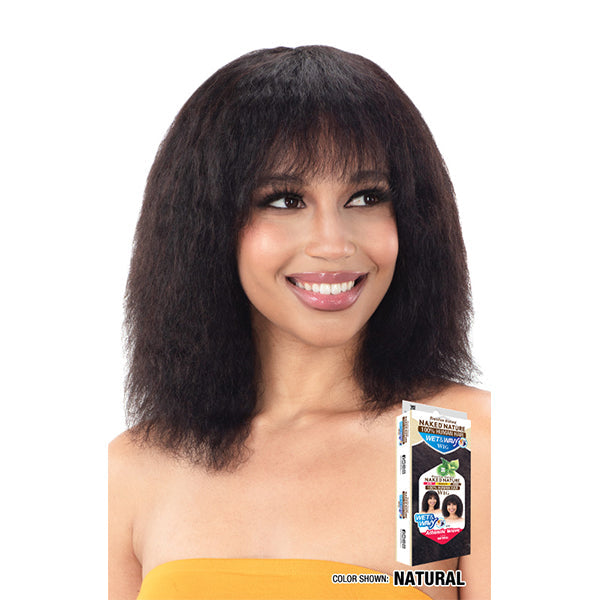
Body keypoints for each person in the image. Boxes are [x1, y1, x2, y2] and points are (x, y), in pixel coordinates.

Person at [108, 45, 491, 600]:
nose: (332, 243)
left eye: (366, 196)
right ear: (204, 225)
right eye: (285, 200)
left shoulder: (447, 442)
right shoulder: (132, 470)